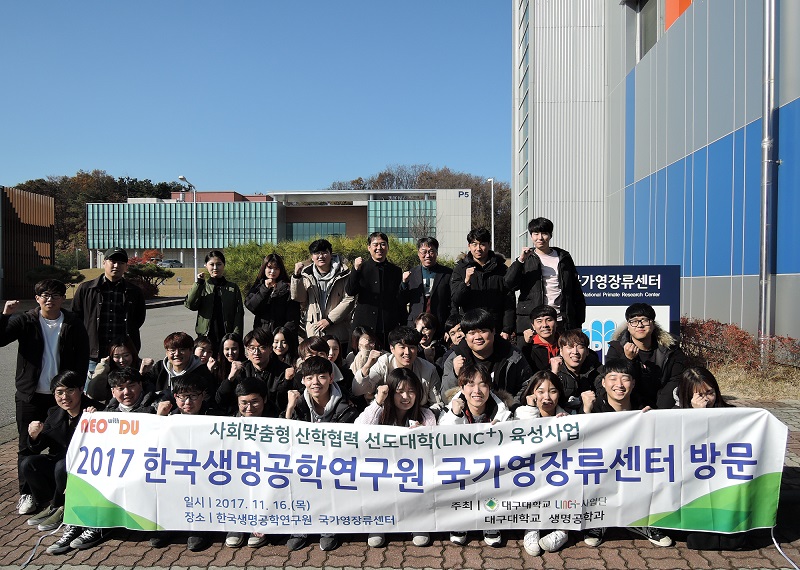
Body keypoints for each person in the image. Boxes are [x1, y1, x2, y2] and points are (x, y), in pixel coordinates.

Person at [0, 279, 89, 516]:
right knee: (26, 445)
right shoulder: (26, 320)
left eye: (56, 295)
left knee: (61, 443)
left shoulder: (72, 322)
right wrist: (5, 315)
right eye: (45, 295)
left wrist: (77, 387)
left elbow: (82, 356)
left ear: (63, 298)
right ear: (37, 298)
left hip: (61, 397)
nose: (50, 299)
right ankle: (27, 493)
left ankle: (60, 493)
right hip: (30, 395)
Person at [49, 368, 158, 554]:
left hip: (142, 466)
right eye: (120, 388)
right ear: (113, 391)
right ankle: (75, 524)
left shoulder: (155, 407)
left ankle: (99, 526)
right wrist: (90, 420)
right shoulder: (106, 412)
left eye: (131, 386)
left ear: (140, 385)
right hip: (112, 465)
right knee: (83, 477)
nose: (126, 392)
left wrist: (162, 416)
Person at [580, 359, 673, 548]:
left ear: (633, 383)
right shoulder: (594, 408)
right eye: (613, 378)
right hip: (603, 472)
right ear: (603, 382)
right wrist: (586, 412)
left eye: (625, 378)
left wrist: (653, 422)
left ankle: (644, 521)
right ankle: (599, 521)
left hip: (634, 471)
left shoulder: (645, 409)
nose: (619, 384)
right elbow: (579, 444)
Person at [283, 356, 360, 551]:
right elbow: (284, 438)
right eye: (309, 378)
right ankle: (300, 527)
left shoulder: (346, 407)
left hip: (333, 464)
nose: (315, 382)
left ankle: (328, 526)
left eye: (321, 377)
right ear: (303, 381)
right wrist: (290, 409)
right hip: (304, 463)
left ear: (331, 378)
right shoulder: (298, 403)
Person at [355, 368, 436, 548]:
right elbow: (359, 429)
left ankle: (419, 522)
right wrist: (378, 402)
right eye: (399, 392)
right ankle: (378, 523)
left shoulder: (426, 415)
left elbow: (434, 448)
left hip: (412, 474)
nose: (406, 397)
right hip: (383, 473)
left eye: (411, 391)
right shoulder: (380, 412)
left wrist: (422, 434)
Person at [438, 364, 513, 547]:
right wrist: (455, 415)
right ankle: (460, 520)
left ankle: (491, 520)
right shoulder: (450, 409)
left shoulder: (503, 412)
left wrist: (503, 430)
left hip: (490, 471)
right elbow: (442, 440)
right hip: (462, 471)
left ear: (489, 387)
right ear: (462, 387)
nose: (477, 390)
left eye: (482, 384)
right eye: (470, 384)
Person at [22, 372, 101, 540]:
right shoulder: (54, 413)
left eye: (70, 390)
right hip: (61, 462)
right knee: (29, 464)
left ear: (81, 389)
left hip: (87, 466)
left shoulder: (95, 410)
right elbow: (38, 447)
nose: (64, 397)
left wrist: (96, 421)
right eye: (59, 392)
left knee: (61, 466)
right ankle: (50, 504)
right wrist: (34, 436)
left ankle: (62, 506)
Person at [151, 375, 221, 551]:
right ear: (175, 397)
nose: (188, 402)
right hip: (176, 469)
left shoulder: (214, 416)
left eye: (193, 396)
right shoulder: (168, 417)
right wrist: (159, 417)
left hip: (205, 470)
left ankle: (201, 527)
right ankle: (168, 524)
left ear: (203, 396)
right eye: (182, 397)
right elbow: (151, 443)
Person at [514, 370, 571, 555]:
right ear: (532, 393)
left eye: (552, 391)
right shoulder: (522, 413)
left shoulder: (569, 416)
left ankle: (563, 529)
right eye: (540, 391)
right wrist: (531, 409)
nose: (547, 397)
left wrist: (568, 426)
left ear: (559, 394)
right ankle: (531, 526)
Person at [505, 217, 586, 337]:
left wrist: (578, 322)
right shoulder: (526, 259)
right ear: (531, 236)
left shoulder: (564, 258)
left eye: (544, 233)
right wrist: (520, 260)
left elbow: (576, 291)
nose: (540, 238)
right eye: (536, 234)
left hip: (561, 320)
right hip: (533, 321)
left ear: (550, 235)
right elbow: (508, 283)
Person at [71, 247, 146, 377]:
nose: (116, 266)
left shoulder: (134, 291)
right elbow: (76, 317)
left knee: (124, 388)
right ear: (104, 262)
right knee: (93, 388)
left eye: (121, 263)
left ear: (126, 266)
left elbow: (138, 319)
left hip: (123, 356)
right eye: (113, 261)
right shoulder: (87, 289)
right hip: (93, 354)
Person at [224, 377, 279, 549]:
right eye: (244, 403)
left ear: (265, 399)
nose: (249, 408)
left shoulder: (276, 420)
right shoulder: (228, 422)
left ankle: (261, 524)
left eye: (254, 402)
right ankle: (237, 524)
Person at [604, 303, 688, 409]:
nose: (640, 325)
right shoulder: (617, 348)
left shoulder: (671, 349)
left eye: (645, 320)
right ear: (628, 326)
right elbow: (615, 381)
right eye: (634, 321)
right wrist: (628, 359)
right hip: (630, 408)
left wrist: (657, 412)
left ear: (653, 324)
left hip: (663, 408)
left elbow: (675, 381)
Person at [440, 309, 533, 403]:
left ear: (493, 331)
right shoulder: (454, 357)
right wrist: (455, 374)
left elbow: (526, 386)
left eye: (482, 331)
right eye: (472, 333)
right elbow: (445, 397)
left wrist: (512, 406)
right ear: (465, 336)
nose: (478, 337)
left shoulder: (512, 356)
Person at [352, 326, 443, 413]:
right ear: (392, 349)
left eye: (412, 347)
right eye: (402, 347)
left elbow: (437, 403)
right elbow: (357, 390)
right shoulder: (384, 363)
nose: (407, 352)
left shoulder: (428, 369)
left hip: (418, 416)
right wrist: (367, 366)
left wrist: (424, 417)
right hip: (387, 415)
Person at [291, 238, 355, 350]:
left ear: (330, 254)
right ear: (312, 257)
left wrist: (330, 320)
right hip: (315, 331)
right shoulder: (306, 274)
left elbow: (349, 299)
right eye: (317, 253)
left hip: (338, 330)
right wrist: (296, 276)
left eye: (324, 252)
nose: (321, 256)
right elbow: (299, 297)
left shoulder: (344, 274)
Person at [450, 227, 515, 337]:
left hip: (495, 328)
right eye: (474, 244)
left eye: (482, 244)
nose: (478, 248)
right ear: (469, 246)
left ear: (489, 245)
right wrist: (466, 282)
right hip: (469, 328)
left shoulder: (501, 269)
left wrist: (507, 329)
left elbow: (509, 301)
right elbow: (456, 300)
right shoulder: (460, 269)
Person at [346, 232, 405, 348]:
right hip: (364, 323)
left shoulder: (395, 270)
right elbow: (350, 291)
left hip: (387, 324)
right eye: (375, 244)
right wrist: (355, 269)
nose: (379, 248)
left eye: (383, 244)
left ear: (387, 247)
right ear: (369, 247)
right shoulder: (361, 268)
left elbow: (398, 299)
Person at [216, 328, 290, 413]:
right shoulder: (241, 370)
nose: (256, 352)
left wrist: (286, 382)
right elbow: (220, 401)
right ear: (247, 350)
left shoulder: (284, 371)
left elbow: (282, 403)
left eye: (262, 347)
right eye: (252, 348)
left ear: (270, 349)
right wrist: (230, 379)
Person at [185, 250, 244, 348]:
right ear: (206, 265)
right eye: (212, 264)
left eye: (219, 264)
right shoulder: (202, 286)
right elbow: (190, 305)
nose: (215, 268)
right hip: (206, 336)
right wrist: (198, 284)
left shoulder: (233, 288)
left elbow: (239, 314)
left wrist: (236, 336)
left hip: (227, 336)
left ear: (224, 265)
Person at [399, 237, 453, 333]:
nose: (427, 255)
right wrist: (404, 283)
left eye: (431, 251)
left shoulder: (447, 273)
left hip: (439, 323)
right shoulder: (411, 273)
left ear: (437, 253)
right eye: (424, 252)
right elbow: (402, 300)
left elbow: (452, 301)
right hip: (415, 323)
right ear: (418, 253)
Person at [86, 335, 155, 403]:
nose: (121, 360)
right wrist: (102, 368)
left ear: (133, 354)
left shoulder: (142, 367)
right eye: (117, 357)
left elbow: (151, 391)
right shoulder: (108, 370)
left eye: (126, 355)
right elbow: (94, 395)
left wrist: (142, 374)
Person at [145, 332, 215, 398]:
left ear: (191, 350)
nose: (177, 354)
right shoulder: (159, 367)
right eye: (172, 350)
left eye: (182, 349)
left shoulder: (202, 374)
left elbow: (207, 399)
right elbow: (145, 388)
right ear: (167, 352)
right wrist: (142, 373)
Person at [245, 253, 300, 332]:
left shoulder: (288, 288)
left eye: (276, 268)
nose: (273, 271)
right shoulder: (258, 286)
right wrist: (265, 289)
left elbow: (293, 317)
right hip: (262, 334)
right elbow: (252, 307)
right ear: (264, 268)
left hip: (281, 334)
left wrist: (283, 334)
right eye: (270, 268)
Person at [550, 329, 600, 412]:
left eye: (580, 347)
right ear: (561, 351)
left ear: (587, 351)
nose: (575, 352)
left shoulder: (596, 370)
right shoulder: (552, 371)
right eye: (570, 347)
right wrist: (553, 375)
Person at [520, 305, 561, 371]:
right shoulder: (529, 347)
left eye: (549, 320)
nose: (545, 325)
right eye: (539, 321)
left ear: (556, 322)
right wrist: (526, 344)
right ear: (533, 326)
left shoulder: (565, 344)